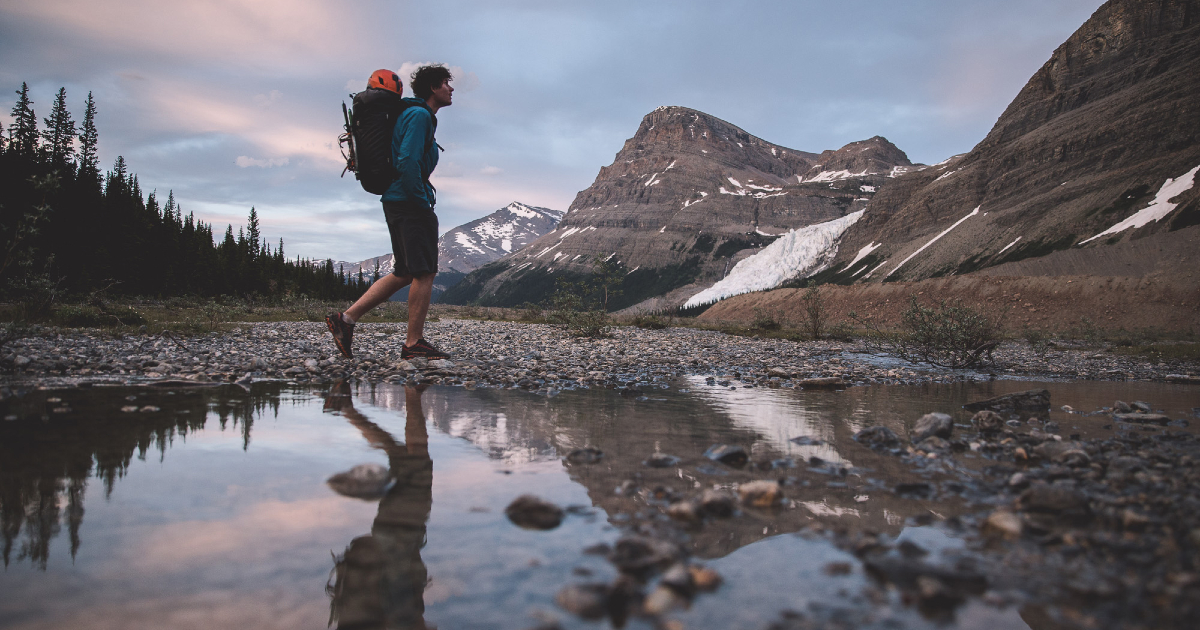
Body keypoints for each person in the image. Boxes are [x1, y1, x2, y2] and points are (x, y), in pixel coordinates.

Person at [328, 64, 455, 360]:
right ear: (434, 88)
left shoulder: (412, 114)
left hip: (396, 199)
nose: (451, 89)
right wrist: (419, 199)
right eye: (447, 84)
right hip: (409, 201)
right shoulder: (420, 115)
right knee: (425, 271)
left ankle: (344, 320)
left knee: (405, 271)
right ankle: (413, 344)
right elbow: (408, 159)